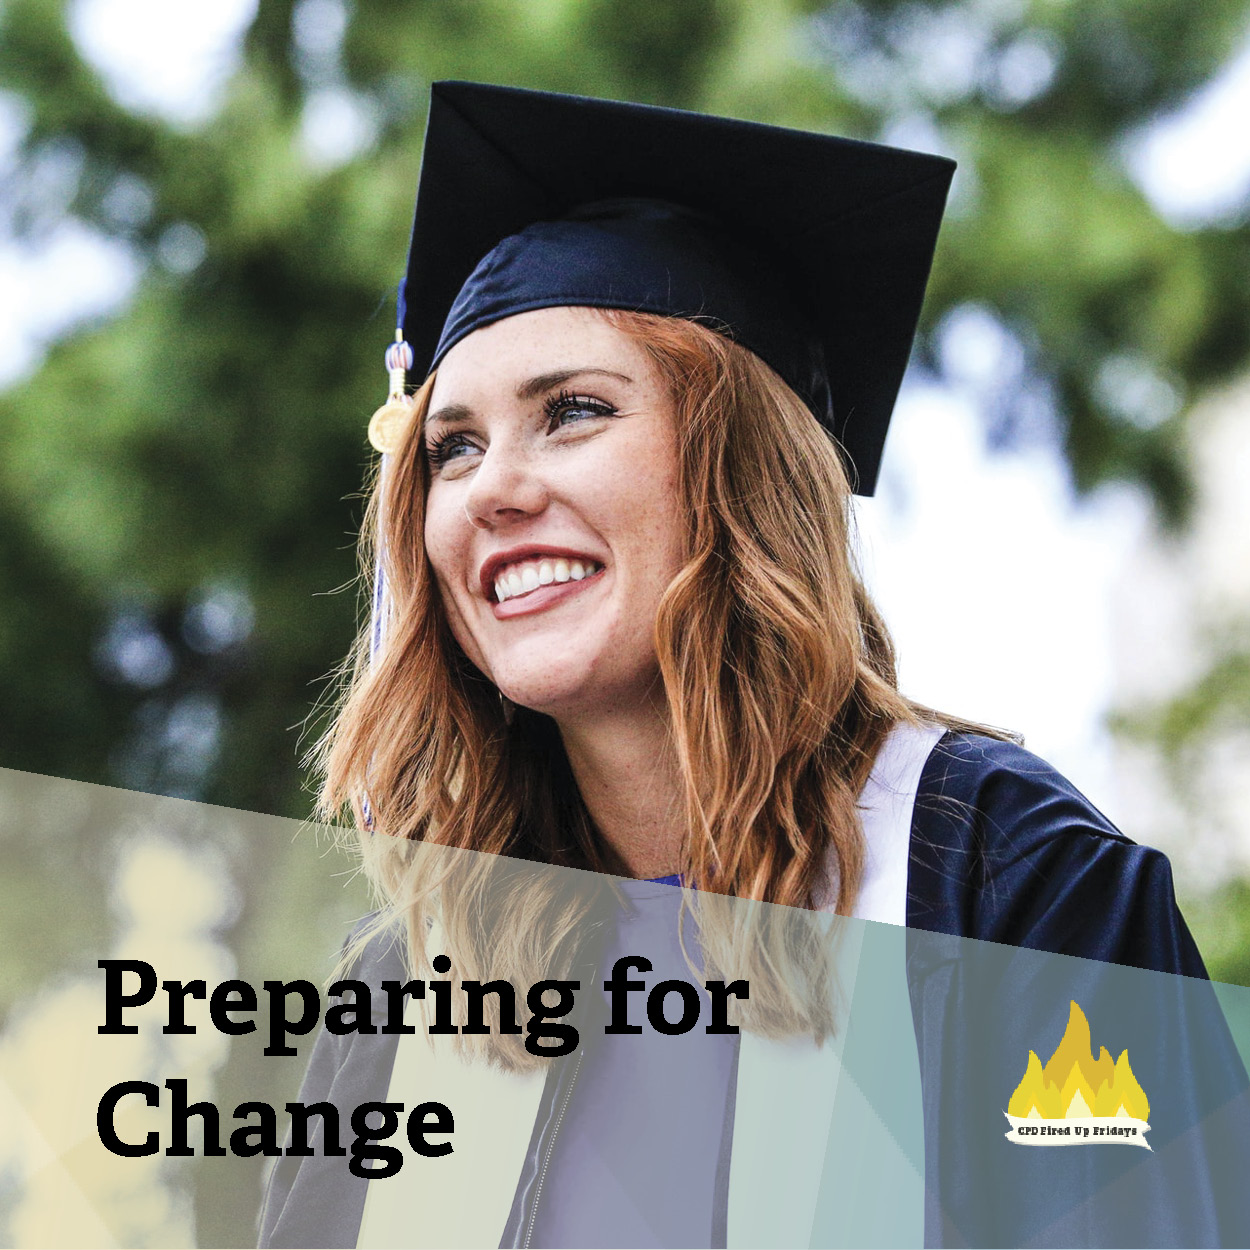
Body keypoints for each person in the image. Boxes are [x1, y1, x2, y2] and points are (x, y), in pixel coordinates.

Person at [259, 83, 1250, 1249]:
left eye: (573, 410)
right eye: (452, 446)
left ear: (745, 471)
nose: (493, 489)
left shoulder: (1000, 885)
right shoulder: (401, 990)